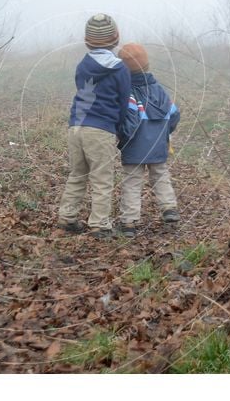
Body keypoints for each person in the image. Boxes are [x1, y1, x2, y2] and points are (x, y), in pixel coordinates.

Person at [58, 13, 131, 235]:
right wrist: (119, 130)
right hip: (100, 130)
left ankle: (67, 217)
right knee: (102, 178)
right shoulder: (120, 68)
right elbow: (123, 102)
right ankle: (99, 225)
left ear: (87, 40)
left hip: (76, 127)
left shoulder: (83, 65)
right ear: (116, 37)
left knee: (77, 174)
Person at [116, 43, 181, 237]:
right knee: (160, 177)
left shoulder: (128, 92)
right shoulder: (159, 90)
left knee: (132, 182)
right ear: (147, 65)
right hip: (158, 146)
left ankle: (129, 222)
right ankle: (169, 209)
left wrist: (122, 140)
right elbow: (174, 114)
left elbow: (130, 121)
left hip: (135, 147)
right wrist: (164, 132)